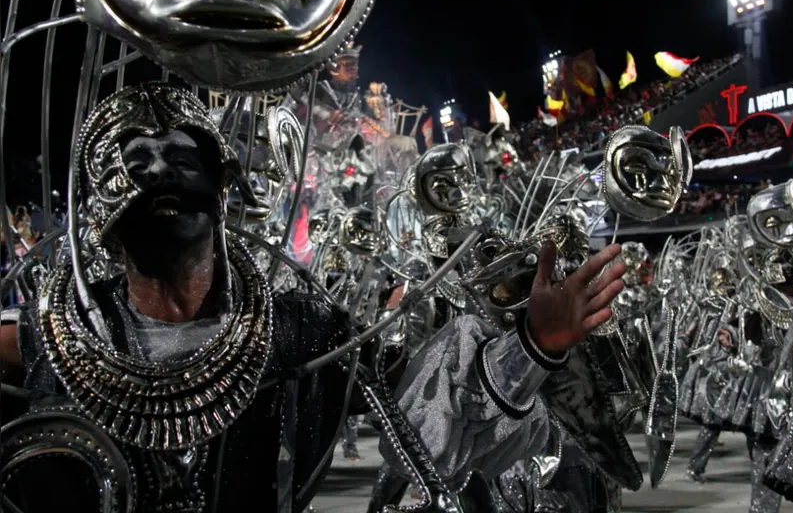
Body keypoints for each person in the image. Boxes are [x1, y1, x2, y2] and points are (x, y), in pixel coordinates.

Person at [0, 83, 627, 512]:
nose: (159, 169)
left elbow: (429, 409)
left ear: (225, 190)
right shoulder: (52, 333)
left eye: (180, 154)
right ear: (101, 205)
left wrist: (534, 346)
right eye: (136, 158)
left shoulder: (302, 330)